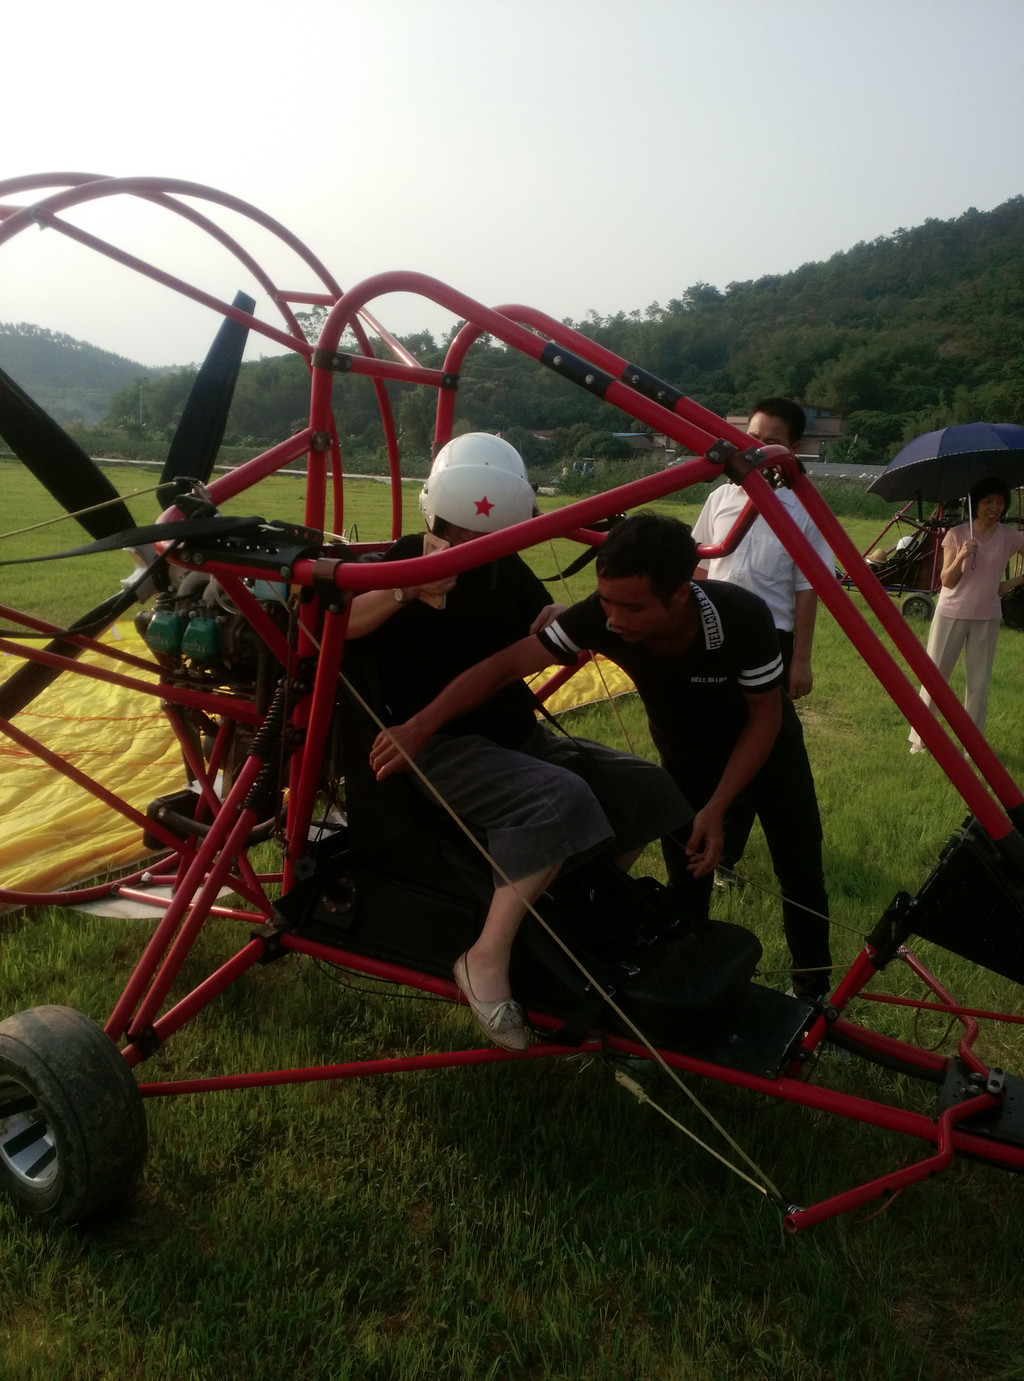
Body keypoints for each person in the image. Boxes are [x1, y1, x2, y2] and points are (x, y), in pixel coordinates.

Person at [370, 511, 834, 1002]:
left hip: (767, 750)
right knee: (688, 877)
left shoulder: (742, 616)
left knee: (799, 868)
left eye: (632, 607)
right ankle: (687, 992)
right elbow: (503, 668)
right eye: (606, 601)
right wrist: (419, 726)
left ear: (679, 595)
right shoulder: (604, 615)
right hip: (686, 756)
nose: (613, 619)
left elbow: (766, 718)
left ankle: (813, 993)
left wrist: (719, 807)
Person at [347, 435, 692, 1052]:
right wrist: (405, 587)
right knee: (559, 800)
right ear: (436, 516)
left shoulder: (505, 567)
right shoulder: (405, 558)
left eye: (489, 535)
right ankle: (486, 955)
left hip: (510, 732)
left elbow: (542, 616)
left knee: (647, 788)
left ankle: (578, 907)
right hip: (428, 741)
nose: (472, 546)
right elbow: (337, 627)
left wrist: (557, 611)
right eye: (459, 531)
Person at [691, 398, 832, 920]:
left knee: (762, 747)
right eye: (750, 435)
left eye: (769, 438)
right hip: (713, 631)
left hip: (768, 641)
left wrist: (801, 659)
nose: (756, 446)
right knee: (714, 746)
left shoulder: (804, 509)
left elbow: (806, 588)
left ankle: (733, 854)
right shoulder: (722, 496)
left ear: (791, 449)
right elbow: (701, 567)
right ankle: (710, 844)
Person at [909, 476, 1024, 753]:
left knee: (978, 682)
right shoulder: (957, 534)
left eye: (999, 502)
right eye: (988, 502)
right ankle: (921, 739)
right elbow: (946, 581)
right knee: (936, 675)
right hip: (951, 613)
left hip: (986, 616)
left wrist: (1012, 583)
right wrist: (961, 556)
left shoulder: (1010, 536)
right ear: (976, 504)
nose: (994, 508)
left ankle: (972, 746)